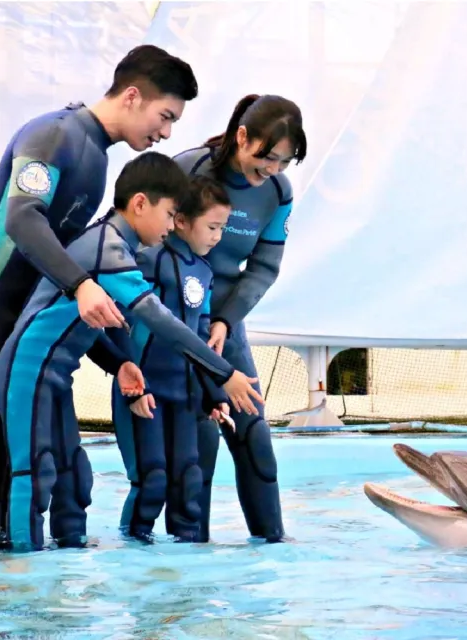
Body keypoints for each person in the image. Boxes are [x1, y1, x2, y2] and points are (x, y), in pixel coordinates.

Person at [0, 44, 199, 548]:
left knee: (41, 459)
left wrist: (113, 360)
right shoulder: (54, 134)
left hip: (18, 322)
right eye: (165, 116)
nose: (166, 133)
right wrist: (81, 285)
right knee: (0, 451)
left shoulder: (97, 161)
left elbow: (60, 276)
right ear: (131, 96)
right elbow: (22, 219)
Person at [0, 151, 263, 552]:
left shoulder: (115, 244)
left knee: (73, 477)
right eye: (170, 215)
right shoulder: (109, 248)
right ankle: (23, 580)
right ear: (140, 204)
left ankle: (62, 574)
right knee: (34, 473)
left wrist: (119, 363)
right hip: (27, 372)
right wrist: (225, 373)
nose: (172, 226)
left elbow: (72, 324)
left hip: (54, 376)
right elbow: (160, 320)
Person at [173, 94, 307, 543]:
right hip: (176, 322)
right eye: (266, 156)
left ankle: (273, 549)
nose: (271, 168)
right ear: (242, 136)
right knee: (201, 442)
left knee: (255, 438)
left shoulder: (277, 193)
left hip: (225, 324)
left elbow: (264, 268)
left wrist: (225, 321)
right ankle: (192, 557)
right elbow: (149, 248)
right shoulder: (189, 171)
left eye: (284, 162)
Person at [111, 174, 233, 543]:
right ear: (180, 221)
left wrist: (213, 393)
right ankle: (133, 555)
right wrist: (133, 388)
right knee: (153, 480)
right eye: (212, 226)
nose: (217, 237)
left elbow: (198, 338)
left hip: (184, 394)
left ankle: (186, 572)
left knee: (187, 477)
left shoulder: (205, 271)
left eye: (222, 228)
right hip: (144, 391)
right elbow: (121, 323)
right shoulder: (149, 260)